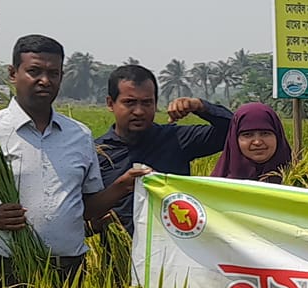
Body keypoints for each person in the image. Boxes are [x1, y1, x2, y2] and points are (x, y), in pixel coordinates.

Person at [0, 34, 149, 288]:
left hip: (70, 269)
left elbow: (88, 208)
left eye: (53, 73)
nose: (45, 80)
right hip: (9, 268)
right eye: (34, 71)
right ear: (13, 74)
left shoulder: (79, 135)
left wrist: (123, 185)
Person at [94, 63, 232, 234]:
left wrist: (199, 106)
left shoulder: (177, 139)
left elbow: (236, 131)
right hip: (118, 256)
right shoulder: (96, 152)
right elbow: (82, 211)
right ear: (110, 103)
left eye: (147, 103)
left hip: (174, 253)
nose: (139, 111)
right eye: (129, 102)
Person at [214, 102, 292, 182]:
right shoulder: (218, 186)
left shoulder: (297, 181)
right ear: (234, 140)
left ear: (278, 136)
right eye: (247, 134)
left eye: (265, 133)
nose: (257, 142)